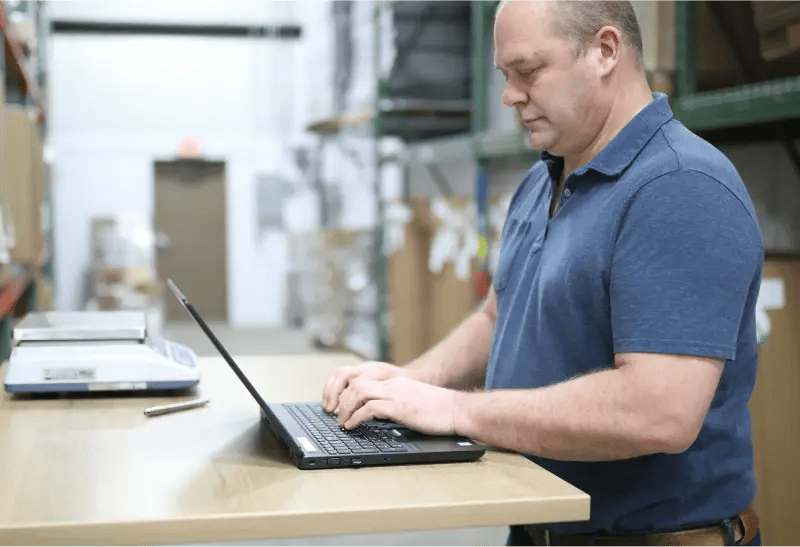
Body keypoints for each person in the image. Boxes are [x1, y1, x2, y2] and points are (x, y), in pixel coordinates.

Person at [322, 1, 764, 545]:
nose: (509, 95)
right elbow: (499, 313)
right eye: (506, 76)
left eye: (528, 72)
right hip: (539, 526)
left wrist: (457, 409)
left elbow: (658, 413)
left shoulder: (679, 188)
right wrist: (411, 380)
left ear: (605, 51)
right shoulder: (543, 179)